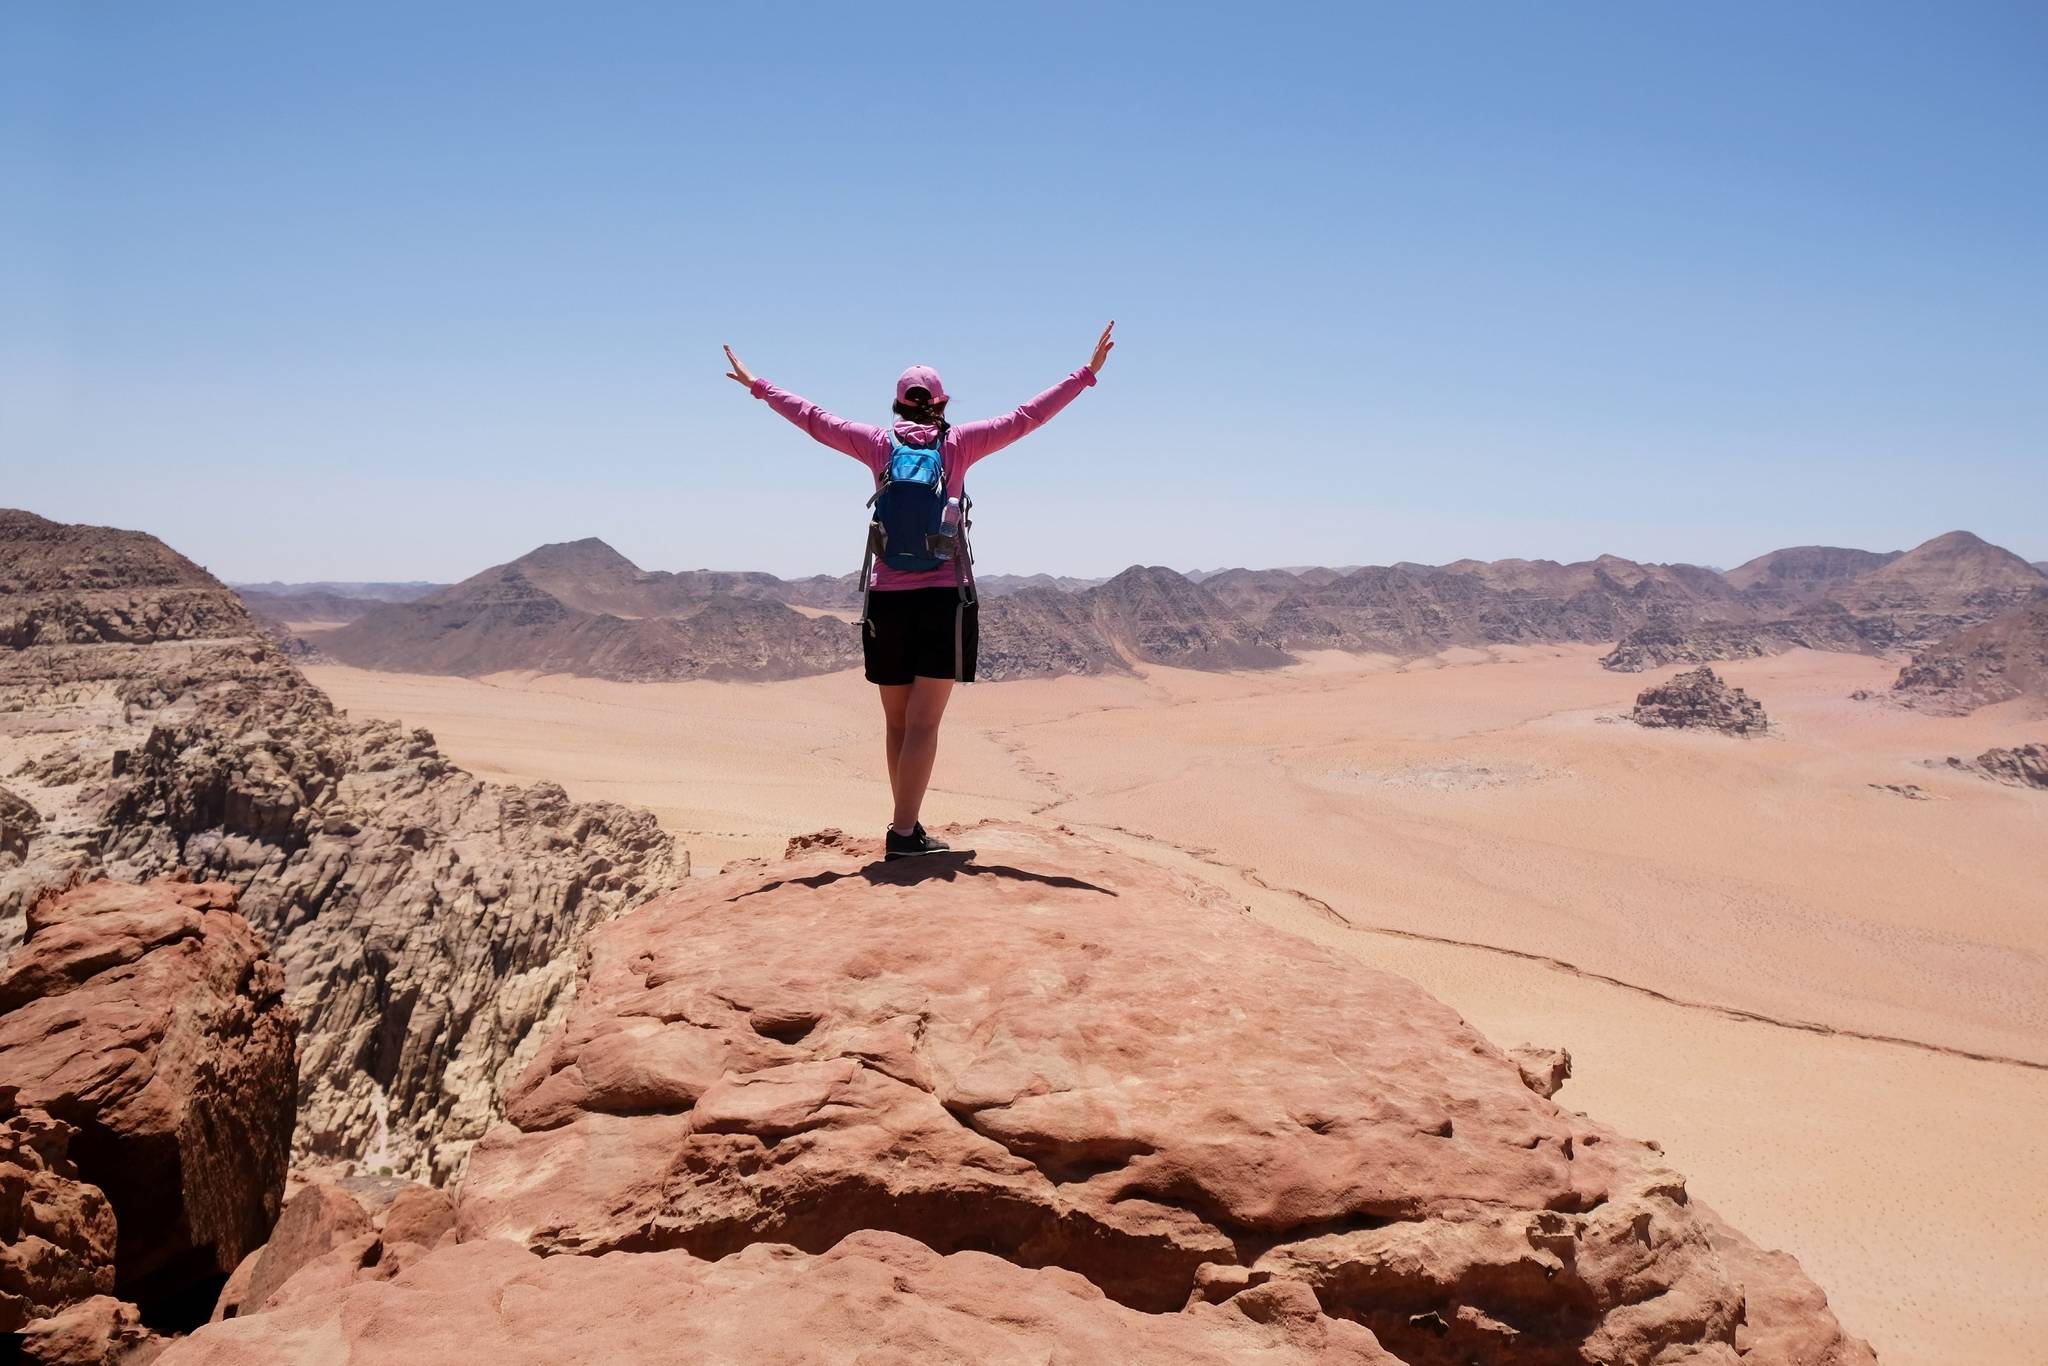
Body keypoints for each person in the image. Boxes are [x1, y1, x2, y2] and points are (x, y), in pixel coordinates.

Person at [724, 322, 1115, 859]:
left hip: (885, 598)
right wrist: (1085, 374)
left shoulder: (875, 443)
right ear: (941, 403)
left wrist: (759, 386)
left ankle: (905, 825)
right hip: (941, 596)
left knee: (897, 722)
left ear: (897, 404)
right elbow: (1027, 416)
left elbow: (813, 419)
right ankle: (904, 833)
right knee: (924, 723)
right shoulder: (960, 443)